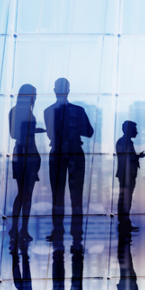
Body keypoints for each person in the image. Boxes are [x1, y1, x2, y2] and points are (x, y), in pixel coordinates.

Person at [44, 78, 94, 223]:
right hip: (75, 152)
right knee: (76, 194)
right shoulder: (78, 111)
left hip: (57, 153)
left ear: (55, 91)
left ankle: (57, 228)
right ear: (68, 91)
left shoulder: (48, 111)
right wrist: (73, 127)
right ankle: (77, 229)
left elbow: (50, 134)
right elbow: (89, 132)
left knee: (57, 194)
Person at [9, 84, 45, 242]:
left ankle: (19, 228)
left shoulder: (19, 110)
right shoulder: (18, 111)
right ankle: (19, 228)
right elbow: (15, 133)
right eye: (34, 94)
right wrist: (32, 130)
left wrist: (33, 130)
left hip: (27, 153)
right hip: (25, 154)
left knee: (25, 194)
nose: (35, 97)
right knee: (24, 194)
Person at [115, 121, 145, 217]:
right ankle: (124, 219)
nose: (136, 132)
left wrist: (137, 157)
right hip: (126, 174)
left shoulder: (124, 141)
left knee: (126, 197)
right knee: (125, 197)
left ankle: (124, 218)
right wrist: (138, 157)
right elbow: (126, 158)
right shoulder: (124, 142)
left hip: (127, 174)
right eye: (135, 129)